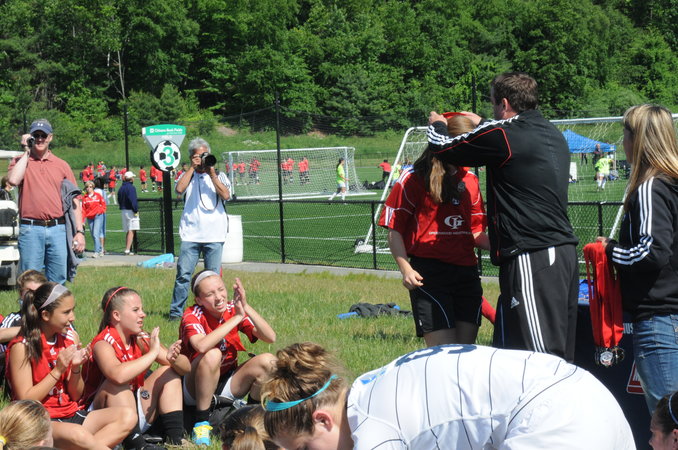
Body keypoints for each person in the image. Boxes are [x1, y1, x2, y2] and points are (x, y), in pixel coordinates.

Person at [427, 72, 579, 361]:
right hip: (556, 253)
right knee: (527, 351)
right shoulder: (549, 131)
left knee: (541, 357)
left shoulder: (504, 135)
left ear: (505, 103)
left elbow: (445, 148)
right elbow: (505, 139)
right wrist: (484, 123)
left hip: (532, 253)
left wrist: (437, 125)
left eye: (493, 103)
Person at [262, 342, 635, 450]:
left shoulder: (372, 431)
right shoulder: (370, 387)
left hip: (556, 420)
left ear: (322, 420)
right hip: (583, 392)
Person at [379, 113, 489, 346]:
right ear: (451, 145)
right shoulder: (413, 178)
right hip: (429, 275)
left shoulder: (470, 180)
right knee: (443, 354)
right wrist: (406, 269)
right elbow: (394, 229)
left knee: (465, 351)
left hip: (467, 274)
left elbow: (476, 233)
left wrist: (510, 248)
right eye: (468, 146)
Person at [597, 104, 678, 414]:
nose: (623, 142)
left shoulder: (651, 187)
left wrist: (610, 250)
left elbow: (651, 252)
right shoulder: (672, 184)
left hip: (660, 319)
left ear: (639, 139)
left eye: (626, 134)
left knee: (666, 420)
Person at [6, 282, 136, 449]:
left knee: (128, 416)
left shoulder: (67, 339)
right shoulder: (22, 346)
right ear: (45, 315)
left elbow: (76, 395)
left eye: (72, 310)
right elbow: (27, 399)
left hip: (69, 413)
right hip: (40, 420)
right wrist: (58, 370)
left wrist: (75, 368)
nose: (73, 317)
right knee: (79, 435)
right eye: (66, 312)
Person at [81, 286, 189, 448]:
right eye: (136, 310)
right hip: (102, 418)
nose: (143, 314)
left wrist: (174, 358)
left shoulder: (139, 338)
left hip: (132, 412)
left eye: (142, 309)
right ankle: (137, 445)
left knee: (168, 372)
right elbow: (117, 376)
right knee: (117, 384)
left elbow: (186, 369)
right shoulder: (103, 343)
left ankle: (175, 439)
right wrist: (152, 354)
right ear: (116, 315)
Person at [180, 270, 277, 446]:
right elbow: (201, 346)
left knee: (268, 362)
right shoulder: (192, 314)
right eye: (210, 294)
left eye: (221, 289)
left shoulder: (233, 309)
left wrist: (245, 306)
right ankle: (201, 424)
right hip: (194, 386)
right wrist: (236, 318)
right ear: (199, 300)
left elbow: (270, 337)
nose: (219, 297)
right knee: (213, 354)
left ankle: (251, 417)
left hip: (225, 380)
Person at [7, 119, 86, 284]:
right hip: (30, 229)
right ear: (31, 138)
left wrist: (79, 232)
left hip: (58, 229)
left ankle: (53, 303)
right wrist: (27, 152)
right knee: (30, 280)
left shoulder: (61, 165)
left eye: (43, 135)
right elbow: (13, 180)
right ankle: (30, 303)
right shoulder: (20, 161)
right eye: (36, 135)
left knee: (58, 280)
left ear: (50, 137)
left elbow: (75, 201)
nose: (40, 139)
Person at [169, 138, 232, 321]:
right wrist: (192, 168)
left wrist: (211, 173)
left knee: (213, 279)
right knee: (183, 275)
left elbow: (226, 195)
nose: (202, 159)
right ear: (191, 157)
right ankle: (176, 314)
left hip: (215, 234)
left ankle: (214, 315)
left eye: (205, 155)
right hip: (191, 234)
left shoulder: (219, 175)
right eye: (198, 156)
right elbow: (179, 189)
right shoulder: (187, 176)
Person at [0, 270, 48, 382]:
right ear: (21, 294)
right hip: (17, 369)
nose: (32, 297)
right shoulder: (15, 319)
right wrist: (30, 329)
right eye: (28, 292)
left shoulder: (50, 317)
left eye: (37, 292)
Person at [81, 181, 106, 258]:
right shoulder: (85, 198)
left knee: (96, 233)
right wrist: (83, 221)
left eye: (90, 187)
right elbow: (83, 210)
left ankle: (96, 251)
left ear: (93, 187)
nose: (88, 188)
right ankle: (101, 249)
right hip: (90, 217)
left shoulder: (98, 195)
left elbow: (103, 204)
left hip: (98, 216)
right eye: (87, 187)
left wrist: (101, 210)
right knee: (93, 234)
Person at [117, 171, 139, 255]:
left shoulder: (121, 187)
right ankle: (127, 249)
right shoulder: (131, 188)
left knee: (129, 229)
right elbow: (133, 200)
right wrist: (135, 210)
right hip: (130, 210)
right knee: (131, 229)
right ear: (131, 179)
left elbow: (119, 198)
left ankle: (128, 248)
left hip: (124, 210)